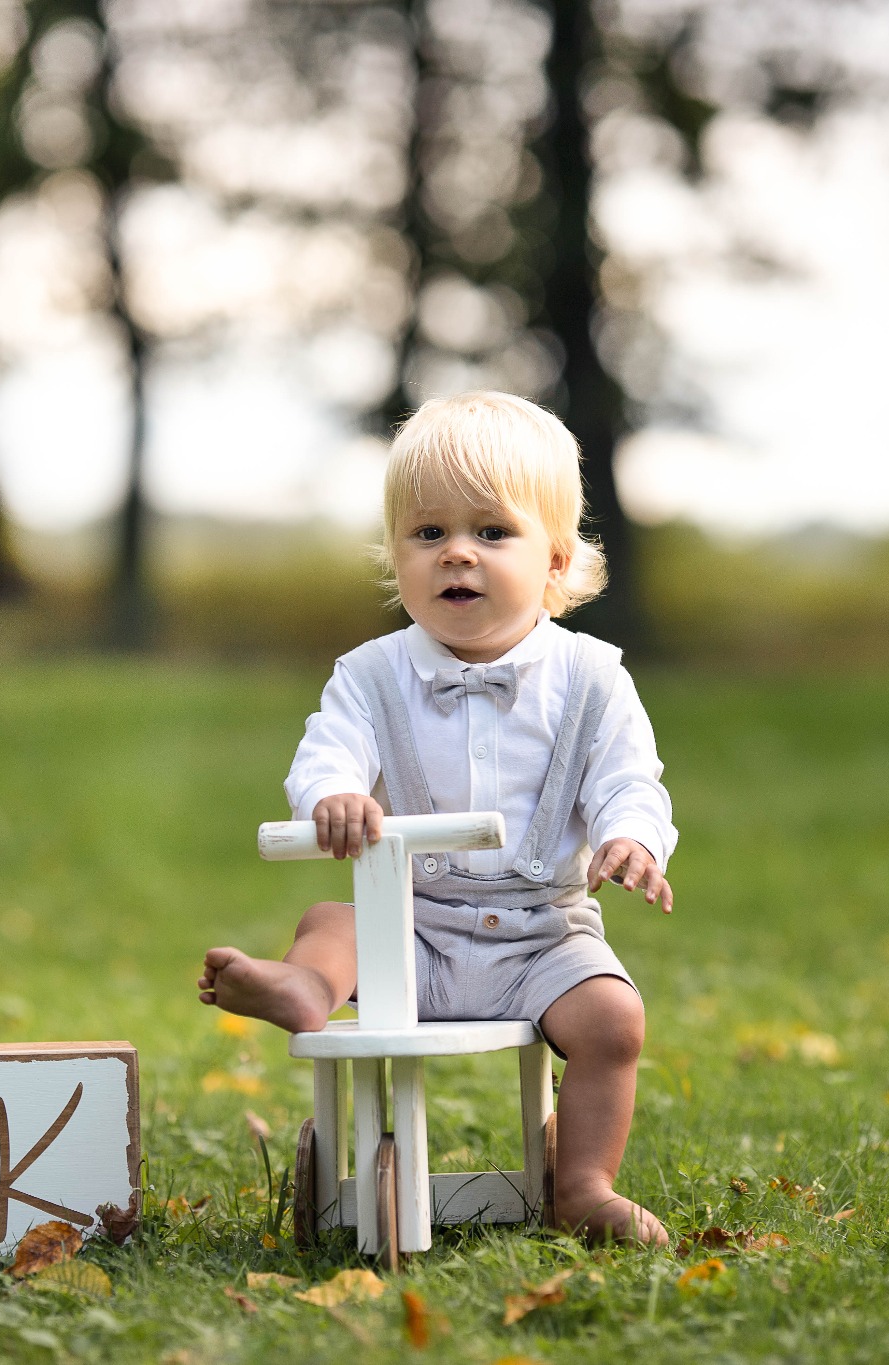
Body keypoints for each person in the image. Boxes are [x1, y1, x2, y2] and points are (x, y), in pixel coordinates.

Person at [197, 390, 676, 1245]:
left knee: (614, 1018)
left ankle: (586, 1185)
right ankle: (305, 988)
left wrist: (630, 835)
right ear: (397, 556)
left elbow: (628, 777)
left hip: (542, 936)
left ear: (556, 562)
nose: (457, 552)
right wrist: (334, 795)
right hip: (411, 929)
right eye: (428, 534)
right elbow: (325, 751)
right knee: (331, 920)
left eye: (492, 532)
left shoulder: (593, 679)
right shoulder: (370, 673)